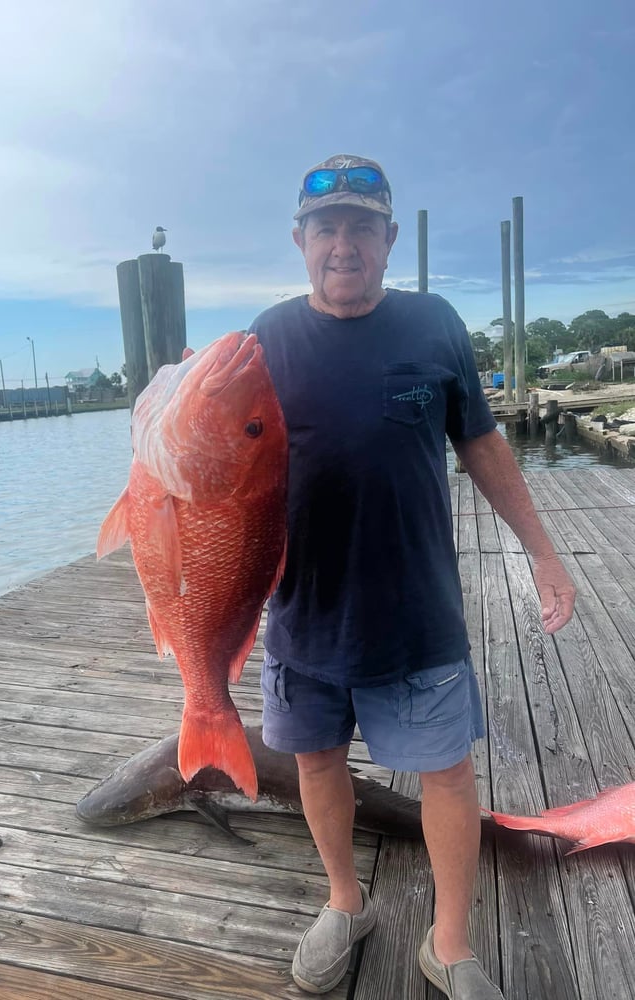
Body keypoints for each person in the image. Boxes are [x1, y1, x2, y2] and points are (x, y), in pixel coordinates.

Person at [247, 154, 576, 999]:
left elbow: (482, 442)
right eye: (327, 228)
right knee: (317, 765)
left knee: (448, 774)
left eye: (362, 227)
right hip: (302, 610)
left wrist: (542, 549)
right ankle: (345, 902)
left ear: (390, 239)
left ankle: (451, 942)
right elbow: (216, 459)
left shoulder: (434, 325)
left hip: (417, 608)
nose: (344, 245)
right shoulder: (267, 338)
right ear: (300, 241)